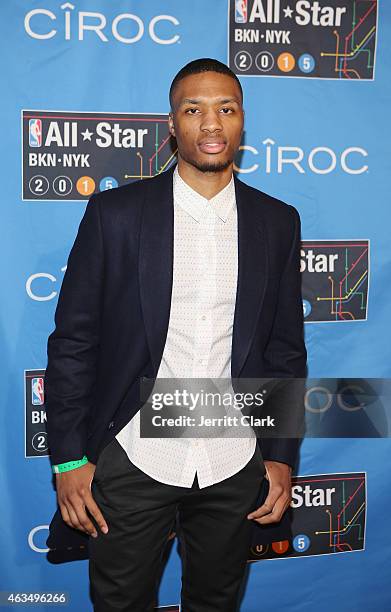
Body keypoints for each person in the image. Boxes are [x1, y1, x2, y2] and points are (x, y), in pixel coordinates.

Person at [45, 58, 307, 611]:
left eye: (225, 109)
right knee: (120, 602)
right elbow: (73, 343)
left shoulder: (277, 221)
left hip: (234, 459)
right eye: (194, 110)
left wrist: (281, 454)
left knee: (217, 601)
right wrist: (68, 460)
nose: (211, 124)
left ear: (242, 122)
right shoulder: (115, 215)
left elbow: (285, 348)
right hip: (134, 454)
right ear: (172, 125)